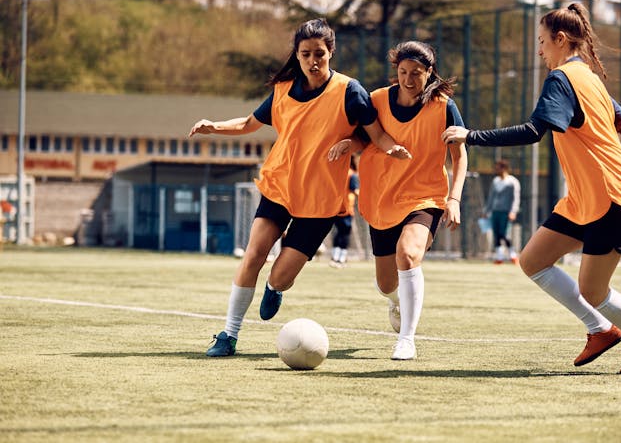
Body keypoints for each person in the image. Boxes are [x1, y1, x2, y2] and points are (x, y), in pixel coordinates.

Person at [442, 3, 621, 374]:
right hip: (587, 198)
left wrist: (471, 135)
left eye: (541, 42)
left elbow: (534, 130)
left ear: (560, 39)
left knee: (593, 292)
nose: (539, 51)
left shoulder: (562, 78)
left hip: (609, 196)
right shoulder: (589, 79)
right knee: (533, 261)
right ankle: (600, 329)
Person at [189, 18, 411, 357]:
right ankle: (228, 334)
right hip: (280, 185)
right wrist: (213, 126)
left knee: (280, 276)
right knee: (254, 254)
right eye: (305, 54)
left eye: (319, 53)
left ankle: (275, 288)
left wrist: (385, 146)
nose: (313, 60)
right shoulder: (283, 89)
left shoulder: (350, 91)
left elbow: (374, 134)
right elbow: (250, 123)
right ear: (297, 54)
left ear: (330, 52)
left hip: (321, 201)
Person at [329, 40, 467, 360]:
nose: (408, 80)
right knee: (385, 283)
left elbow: (460, 158)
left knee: (407, 254)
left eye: (416, 74)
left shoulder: (444, 107)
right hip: (381, 198)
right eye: (403, 72)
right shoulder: (377, 100)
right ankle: (396, 301)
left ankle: (406, 339)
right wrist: (347, 144)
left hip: (425, 196)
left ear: (429, 73)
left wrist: (454, 198)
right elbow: (365, 137)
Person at [485, 158, 521, 264]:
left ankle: (512, 255)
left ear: (504, 168)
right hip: (495, 211)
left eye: (499, 168)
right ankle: (499, 257)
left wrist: (513, 211)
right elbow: (491, 197)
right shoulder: (495, 181)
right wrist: (487, 210)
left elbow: (516, 197)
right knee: (496, 234)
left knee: (504, 234)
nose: (497, 170)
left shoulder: (512, 181)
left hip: (506, 212)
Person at [330, 155, 360, 268]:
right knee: (345, 233)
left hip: (336, 207)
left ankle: (334, 256)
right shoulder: (351, 174)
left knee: (338, 233)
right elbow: (355, 190)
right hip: (347, 208)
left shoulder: (338, 173)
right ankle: (341, 259)